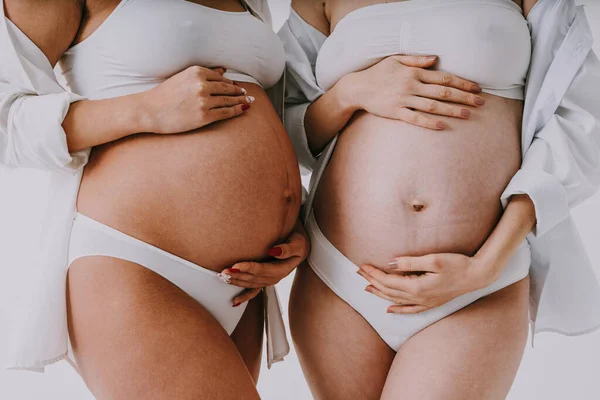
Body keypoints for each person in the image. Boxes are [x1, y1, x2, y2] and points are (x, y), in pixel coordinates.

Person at [280, 0, 600, 398]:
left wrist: (487, 264)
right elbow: (284, 132)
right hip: (340, 277)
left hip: (474, 283)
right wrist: (349, 93)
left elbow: (580, 118)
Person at [0, 0, 308, 398]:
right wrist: (145, 110)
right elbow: (6, 122)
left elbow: (258, 111)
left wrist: (289, 217)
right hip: (139, 263)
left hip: (242, 284)